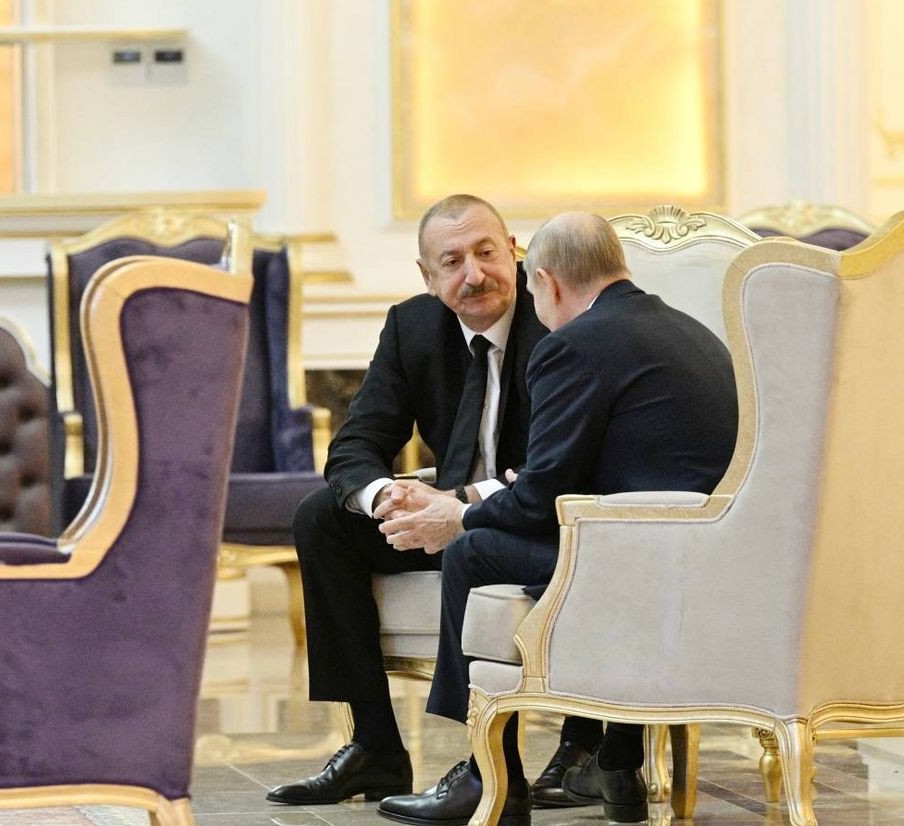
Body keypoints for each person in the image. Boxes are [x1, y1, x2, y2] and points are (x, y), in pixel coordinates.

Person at [372, 212, 739, 826]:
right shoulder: (692, 331)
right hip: (703, 557)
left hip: (638, 562)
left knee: (474, 550)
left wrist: (459, 515)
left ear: (547, 281)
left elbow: (541, 500)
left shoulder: (575, 343)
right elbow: (619, 468)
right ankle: (615, 763)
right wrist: (534, 485)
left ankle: (491, 778)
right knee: (500, 531)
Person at [270, 194, 597, 807]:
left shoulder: (554, 318)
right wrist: (388, 496)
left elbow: (562, 466)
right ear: (428, 276)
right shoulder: (413, 326)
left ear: (515, 253)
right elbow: (354, 445)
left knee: (480, 538)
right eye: (451, 261)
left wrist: (462, 506)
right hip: (450, 515)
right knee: (321, 518)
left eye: (485, 253)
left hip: (532, 520)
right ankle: (374, 747)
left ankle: (517, 763)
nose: (474, 275)